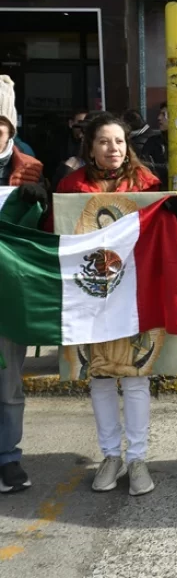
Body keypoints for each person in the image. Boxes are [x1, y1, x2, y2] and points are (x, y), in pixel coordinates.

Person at [56, 113, 161, 496]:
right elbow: (59, 237)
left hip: (135, 294)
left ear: (127, 145)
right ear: (90, 146)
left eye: (119, 141)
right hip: (91, 295)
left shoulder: (147, 184)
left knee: (135, 377)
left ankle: (137, 458)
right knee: (99, 376)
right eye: (104, 142)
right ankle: (110, 456)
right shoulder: (71, 187)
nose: (112, 149)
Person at [0, 111, 44, 494]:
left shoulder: (31, 170)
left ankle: (8, 459)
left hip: (9, 293)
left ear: (9, 129)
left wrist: (39, 206)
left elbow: (41, 236)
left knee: (8, 383)